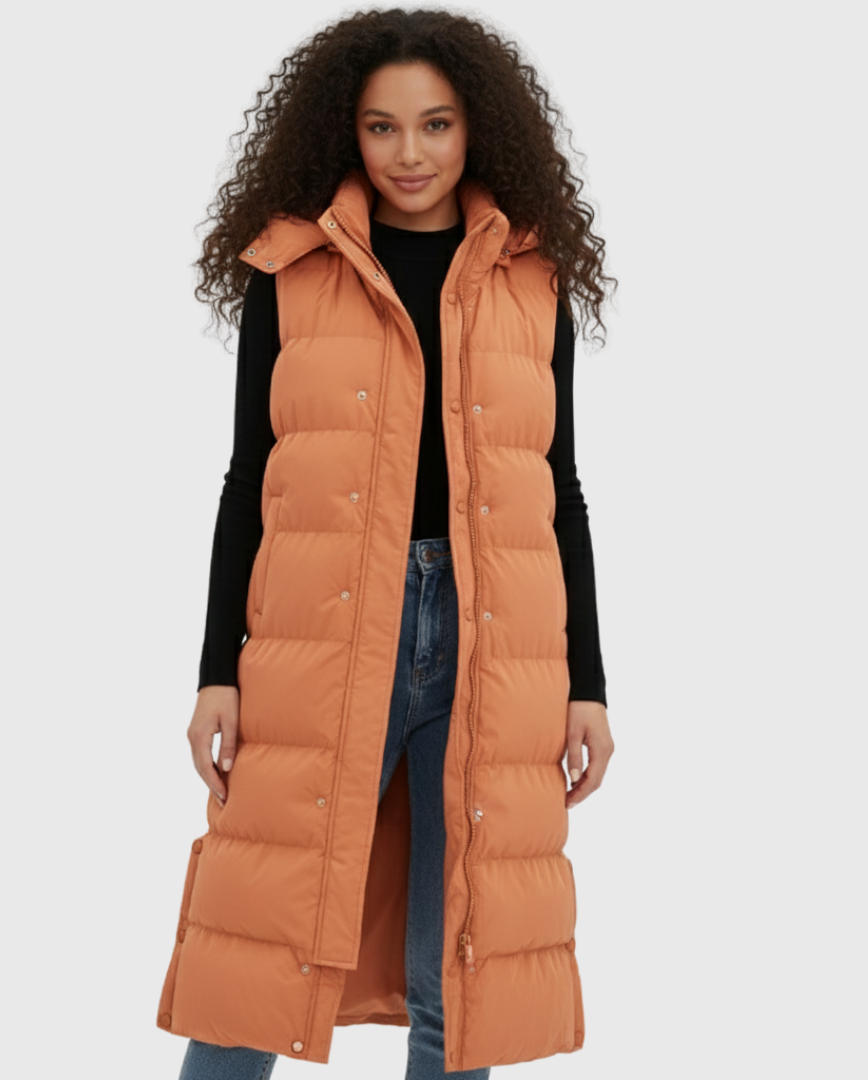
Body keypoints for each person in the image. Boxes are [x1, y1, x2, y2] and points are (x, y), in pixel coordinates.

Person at [157, 9, 618, 1078]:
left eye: (436, 124)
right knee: (259, 950)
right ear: (346, 132)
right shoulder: (291, 268)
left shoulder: (531, 278)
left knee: (461, 965)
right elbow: (248, 479)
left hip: (493, 643)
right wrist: (217, 669)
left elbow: (560, 490)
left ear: (477, 127)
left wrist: (588, 685)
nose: (410, 153)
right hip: (320, 635)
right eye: (382, 127)